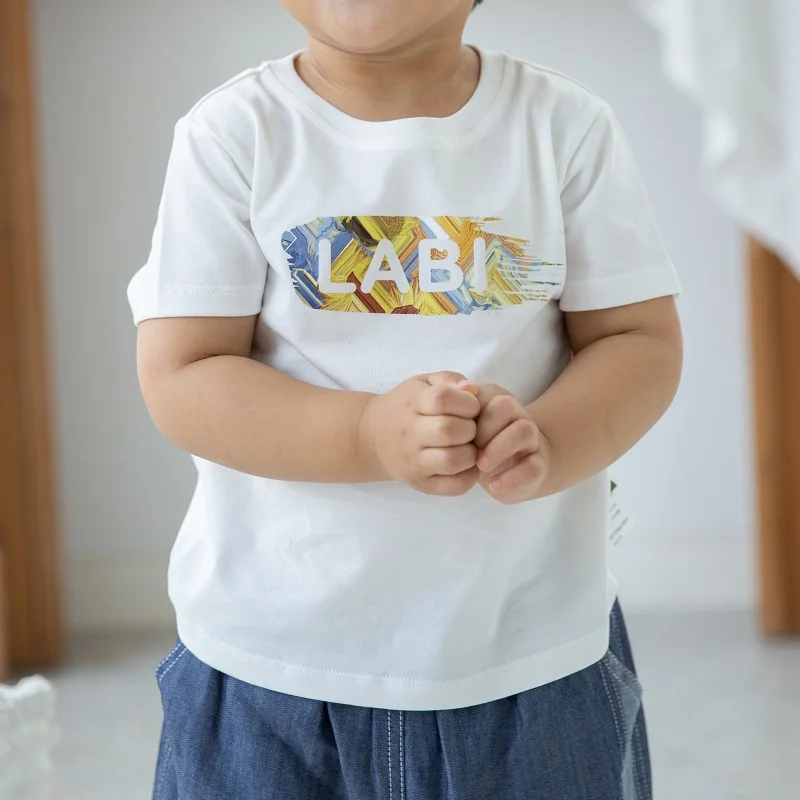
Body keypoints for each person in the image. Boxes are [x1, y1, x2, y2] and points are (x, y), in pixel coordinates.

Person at [129, 0, 682, 797]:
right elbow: (184, 374)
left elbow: (638, 340)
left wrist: (552, 437)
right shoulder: (234, 134)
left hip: (528, 653)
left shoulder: (562, 126)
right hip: (270, 662)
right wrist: (367, 434)